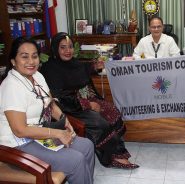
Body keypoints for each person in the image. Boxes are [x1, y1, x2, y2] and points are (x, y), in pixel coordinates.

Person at [0, 37, 94, 184]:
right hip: (18, 145)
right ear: (13, 61)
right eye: (24, 56)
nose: (31, 61)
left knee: (86, 146)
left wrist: (65, 120)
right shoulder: (11, 86)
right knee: (75, 160)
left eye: (34, 56)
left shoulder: (37, 76)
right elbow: (20, 130)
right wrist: (58, 133)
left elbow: (49, 104)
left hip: (39, 134)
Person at [40, 32, 139, 169]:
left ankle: (115, 150)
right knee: (100, 123)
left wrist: (95, 66)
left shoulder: (72, 63)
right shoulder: (50, 69)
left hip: (82, 101)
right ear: (55, 49)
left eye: (70, 47)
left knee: (112, 111)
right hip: (68, 108)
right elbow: (58, 98)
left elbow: (80, 69)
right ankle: (113, 157)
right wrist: (87, 104)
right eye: (63, 47)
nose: (68, 51)